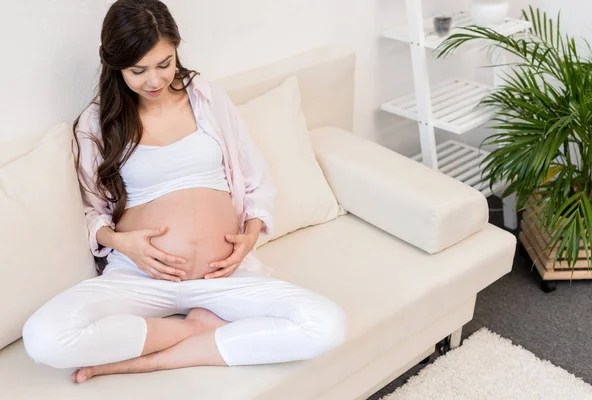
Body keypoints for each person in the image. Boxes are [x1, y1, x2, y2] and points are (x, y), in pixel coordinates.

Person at [21, 0, 347, 384]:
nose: (155, 81)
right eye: (137, 70)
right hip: (141, 278)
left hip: (221, 278)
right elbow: (93, 213)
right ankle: (192, 332)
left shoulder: (205, 97)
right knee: (43, 338)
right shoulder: (97, 123)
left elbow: (257, 180)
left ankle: (156, 359)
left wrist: (250, 236)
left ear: (176, 48)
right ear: (115, 66)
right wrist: (125, 244)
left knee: (328, 325)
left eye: (164, 63)